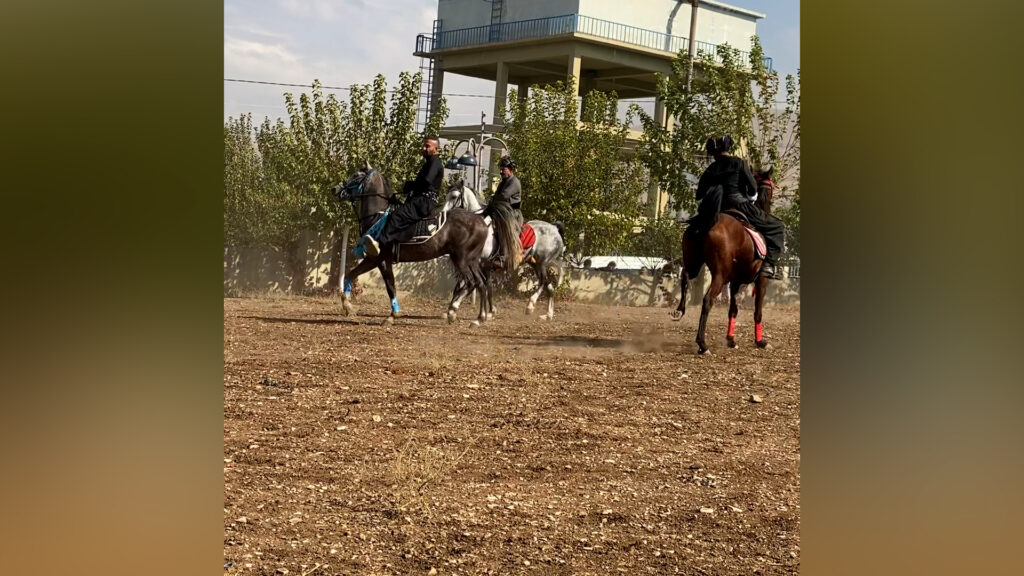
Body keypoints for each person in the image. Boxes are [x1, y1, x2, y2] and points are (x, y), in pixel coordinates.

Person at [695, 135, 786, 279]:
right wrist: (750, 197)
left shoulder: (711, 168)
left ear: (713, 152)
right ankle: (768, 265)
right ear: (728, 148)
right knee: (777, 226)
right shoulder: (738, 162)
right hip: (738, 204)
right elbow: (752, 187)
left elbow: (699, 195)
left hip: (715, 208)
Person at [362, 137, 443, 257]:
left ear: (436, 149)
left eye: (427, 146)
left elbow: (427, 181)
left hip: (424, 202)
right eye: (424, 146)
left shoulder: (435, 162)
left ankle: (379, 244)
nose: (424, 148)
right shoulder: (429, 163)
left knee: (397, 215)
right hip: (418, 200)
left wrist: (410, 185)